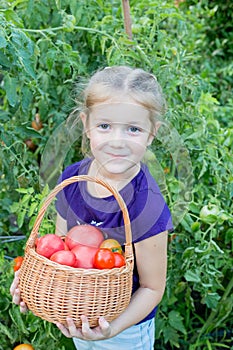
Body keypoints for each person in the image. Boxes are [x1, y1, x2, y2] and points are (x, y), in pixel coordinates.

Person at [10, 66, 173, 350]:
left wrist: (112, 331)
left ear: (151, 134)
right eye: (104, 126)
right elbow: (62, 254)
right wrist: (33, 283)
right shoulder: (72, 181)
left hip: (125, 328)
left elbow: (152, 288)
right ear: (86, 125)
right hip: (78, 314)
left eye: (133, 129)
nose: (117, 141)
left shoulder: (147, 205)